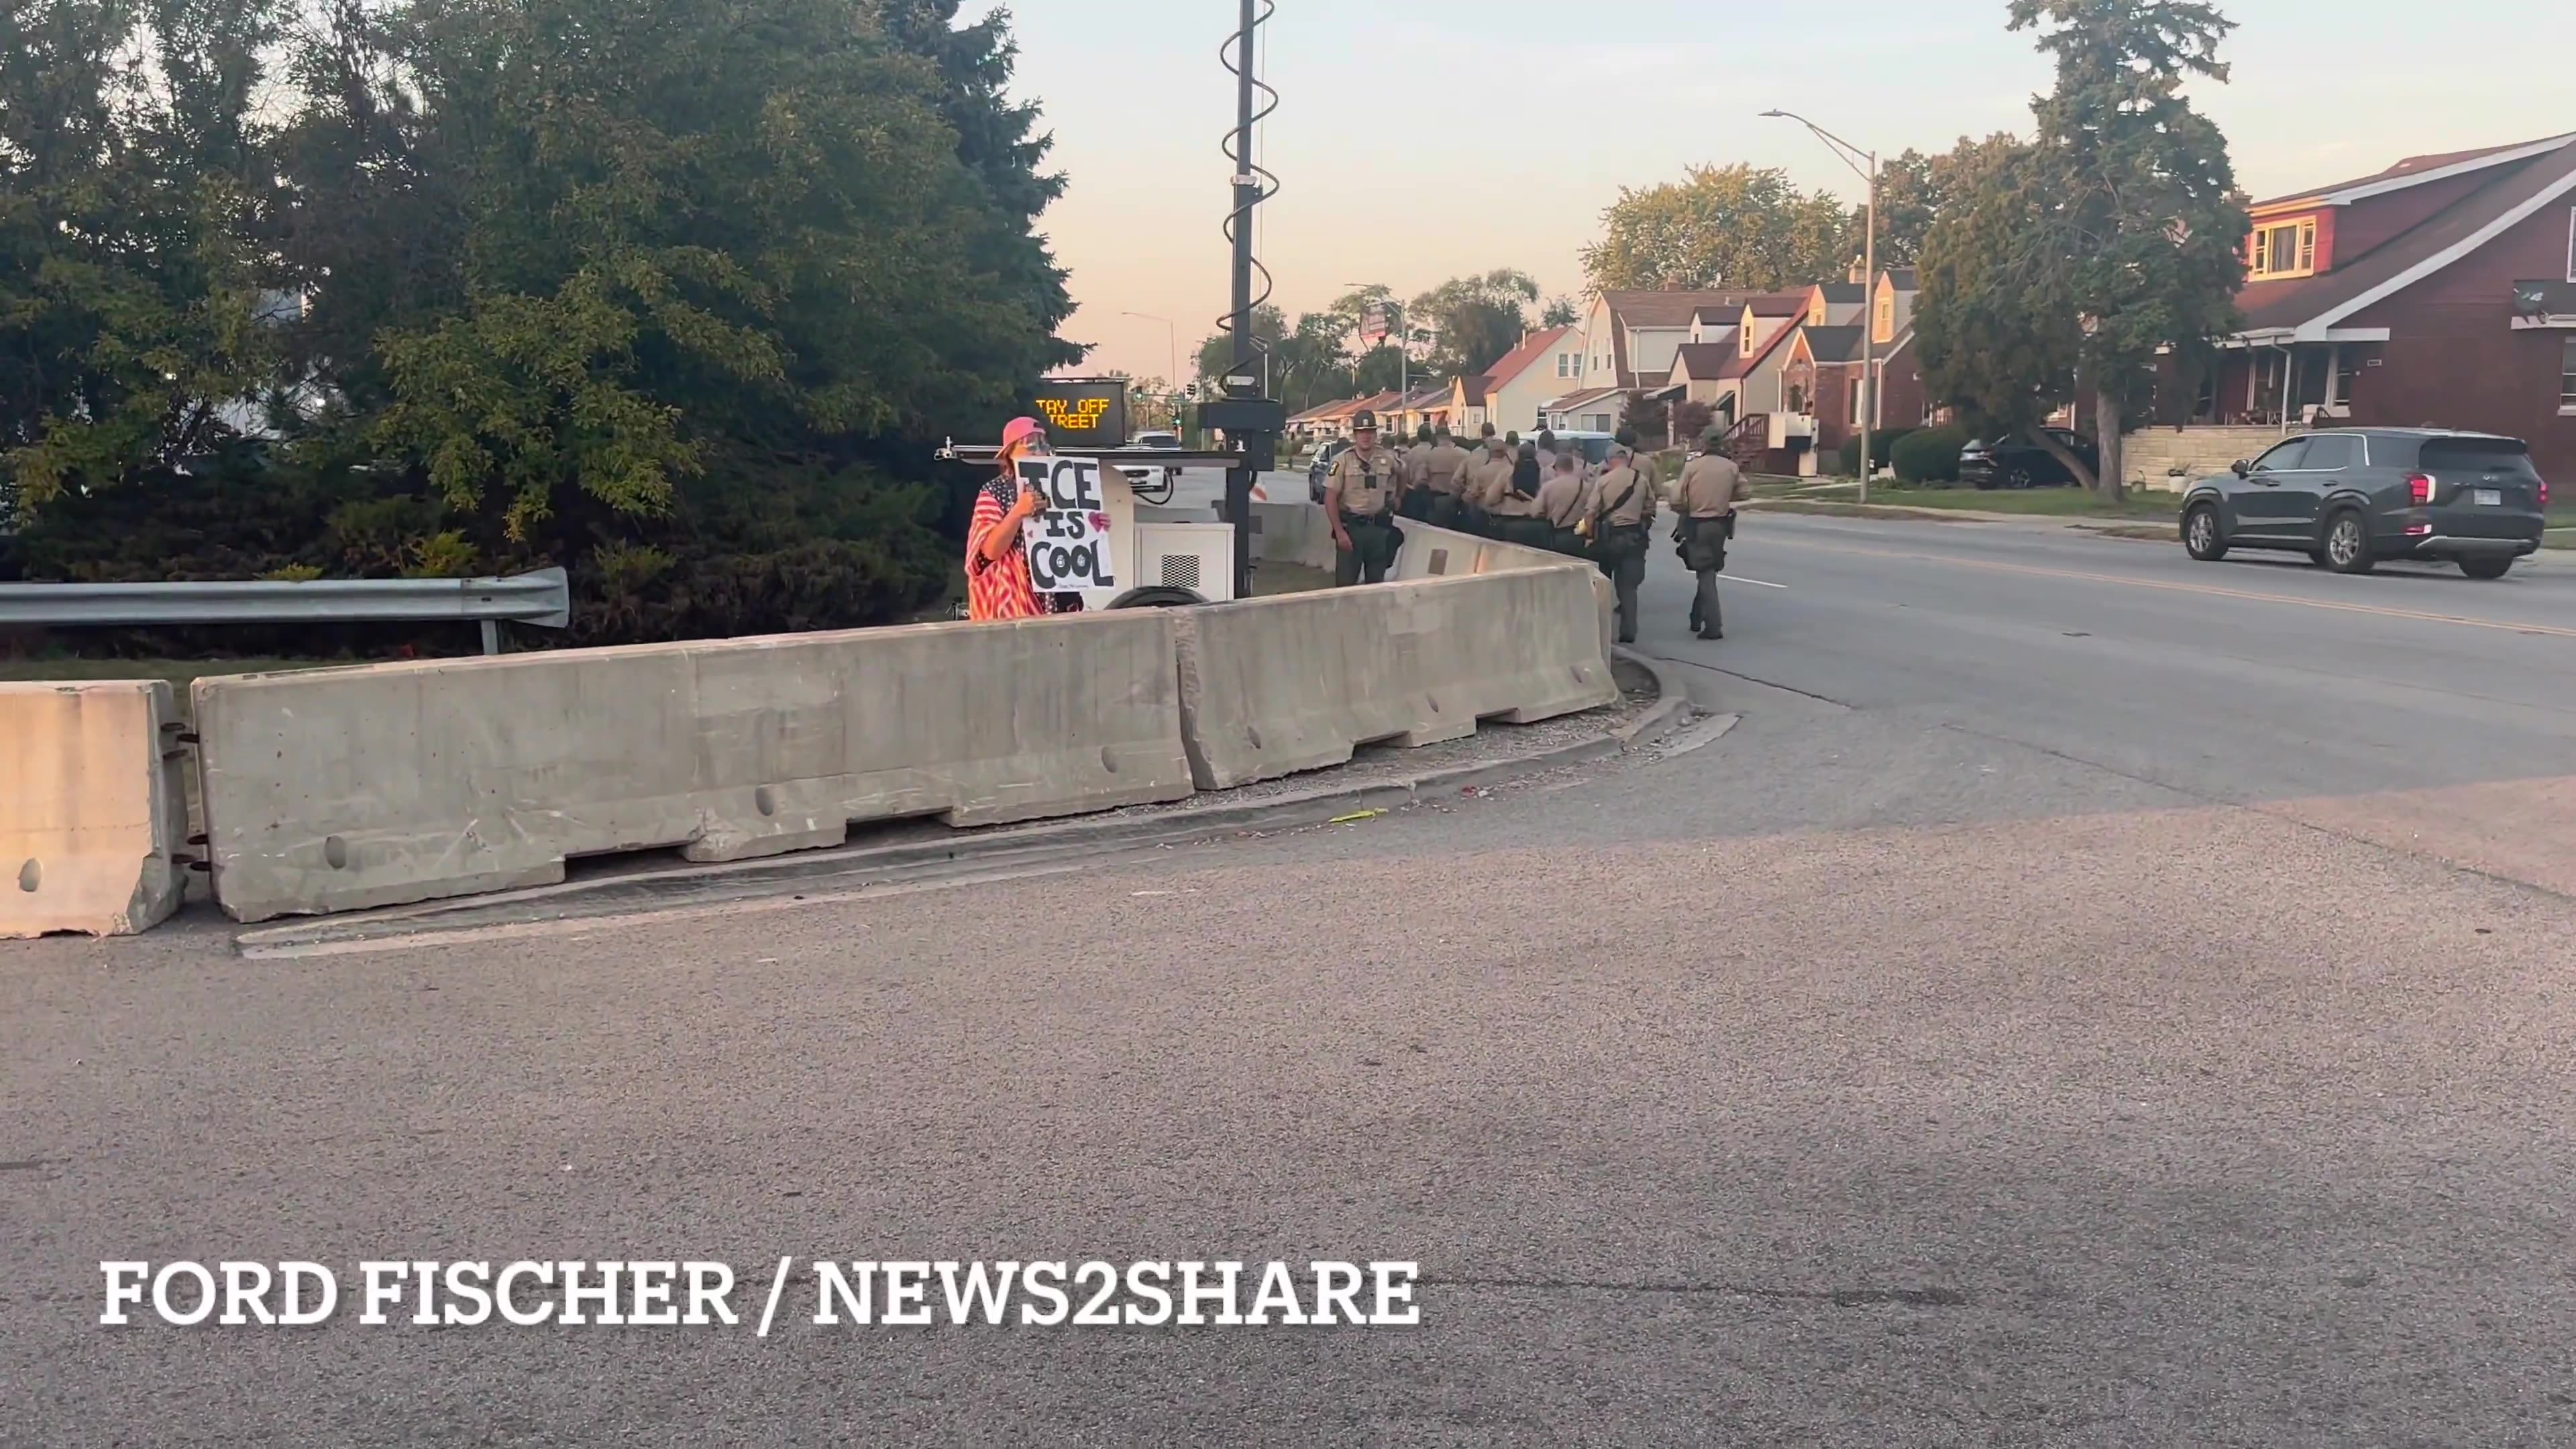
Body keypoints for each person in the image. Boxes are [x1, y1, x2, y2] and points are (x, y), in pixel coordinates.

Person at [965, 417, 1083, 623]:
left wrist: (1095, 524)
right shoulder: (994, 492)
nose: (1039, 452)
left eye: (1043, 445)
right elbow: (986, 554)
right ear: (1010, 454)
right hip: (1010, 608)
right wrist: (1017, 513)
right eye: (1030, 446)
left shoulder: (1061, 490)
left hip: (1058, 603)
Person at [1673, 427, 1749, 639]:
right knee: (1707, 570)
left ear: (1704, 443)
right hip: (1721, 525)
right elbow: (1745, 492)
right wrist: (1724, 497)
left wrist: (1686, 509)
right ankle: (1696, 617)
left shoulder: (1693, 467)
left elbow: (1676, 498)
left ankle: (1713, 626)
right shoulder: (1731, 467)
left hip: (1698, 524)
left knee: (1705, 573)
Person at [1324, 410, 1404, 586]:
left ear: (1376, 434)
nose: (1366, 436)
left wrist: (1397, 496)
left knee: (1375, 587)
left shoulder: (1388, 458)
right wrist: (1339, 532)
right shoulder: (1342, 461)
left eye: (1369, 432)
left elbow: (1403, 473)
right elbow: (1330, 498)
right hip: (1351, 530)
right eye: (1361, 432)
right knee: (1346, 587)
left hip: (1378, 529)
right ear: (1355, 435)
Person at [1589, 441, 1654, 644]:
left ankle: (1601, 630)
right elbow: (1650, 506)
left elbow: (1591, 512)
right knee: (1628, 587)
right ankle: (1629, 630)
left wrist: (1591, 536)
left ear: (1610, 461)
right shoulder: (1641, 480)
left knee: (1603, 583)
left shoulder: (1603, 481)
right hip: (1634, 536)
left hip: (1610, 537)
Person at [1417, 428, 1473, 530]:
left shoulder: (1429, 455)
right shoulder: (1465, 454)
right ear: (1450, 437)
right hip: (1458, 501)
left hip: (1436, 499)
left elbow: (1421, 479)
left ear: (1437, 438)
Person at [1535, 451, 1590, 555]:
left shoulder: (1548, 487)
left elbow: (1536, 511)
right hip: (1580, 535)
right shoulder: (1586, 487)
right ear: (1572, 467)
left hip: (1558, 535)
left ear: (1556, 467)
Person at [1461, 433, 1514, 537]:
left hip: (1484, 517)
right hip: (1506, 518)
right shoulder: (1512, 471)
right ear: (1505, 453)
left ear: (1490, 453)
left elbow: (1473, 494)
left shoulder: (1481, 471)